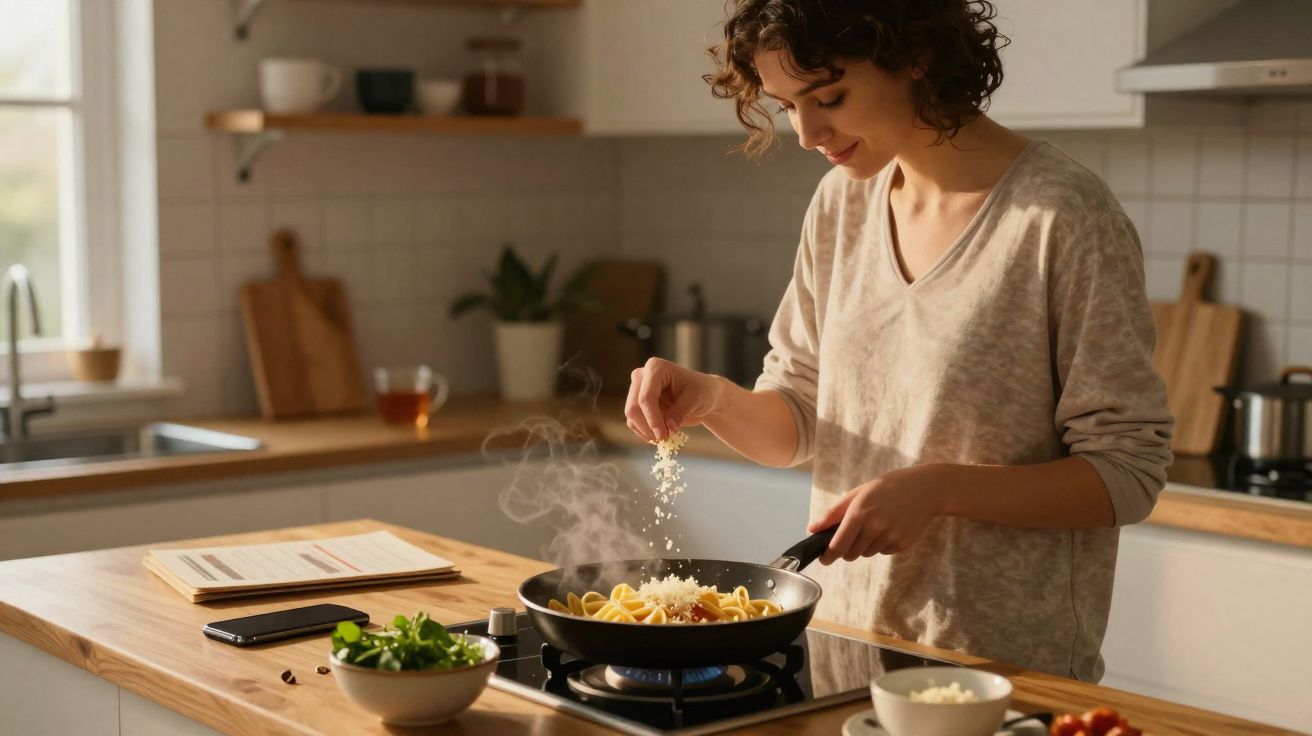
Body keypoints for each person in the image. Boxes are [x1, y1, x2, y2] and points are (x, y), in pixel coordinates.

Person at [623, 0, 1173, 682]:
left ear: (917, 55)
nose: (808, 133)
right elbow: (797, 422)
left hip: (997, 673)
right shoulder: (841, 203)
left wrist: (942, 489)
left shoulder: (1063, 217)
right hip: (845, 651)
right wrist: (711, 398)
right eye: (789, 107)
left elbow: (1127, 475)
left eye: (829, 97)